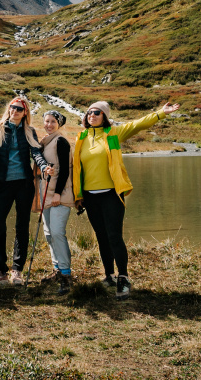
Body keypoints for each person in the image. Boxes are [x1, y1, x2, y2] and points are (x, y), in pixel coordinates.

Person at [72, 99, 180, 300]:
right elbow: (78, 169)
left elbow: (138, 124)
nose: (92, 115)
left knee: (114, 236)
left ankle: (123, 277)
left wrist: (161, 113)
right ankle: (108, 275)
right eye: (89, 113)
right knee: (101, 237)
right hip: (90, 196)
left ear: (105, 116)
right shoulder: (81, 137)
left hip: (112, 193)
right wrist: (78, 196)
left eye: (97, 113)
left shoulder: (113, 134)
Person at [0, 96, 51, 288]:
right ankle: (0, 270)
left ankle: (17, 270)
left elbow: (36, 153)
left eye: (19, 109)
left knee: (21, 226)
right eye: (12, 108)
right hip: (3, 183)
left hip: (24, 184)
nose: (14, 111)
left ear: (25, 112)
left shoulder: (29, 131)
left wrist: (43, 167)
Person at [35, 110, 74, 295]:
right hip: (46, 195)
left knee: (58, 233)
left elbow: (65, 169)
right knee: (49, 235)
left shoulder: (61, 141)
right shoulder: (44, 142)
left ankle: (66, 275)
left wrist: (58, 193)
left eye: (53, 121)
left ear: (59, 124)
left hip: (60, 195)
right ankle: (57, 269)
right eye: (47, 121)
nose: (49, 124)